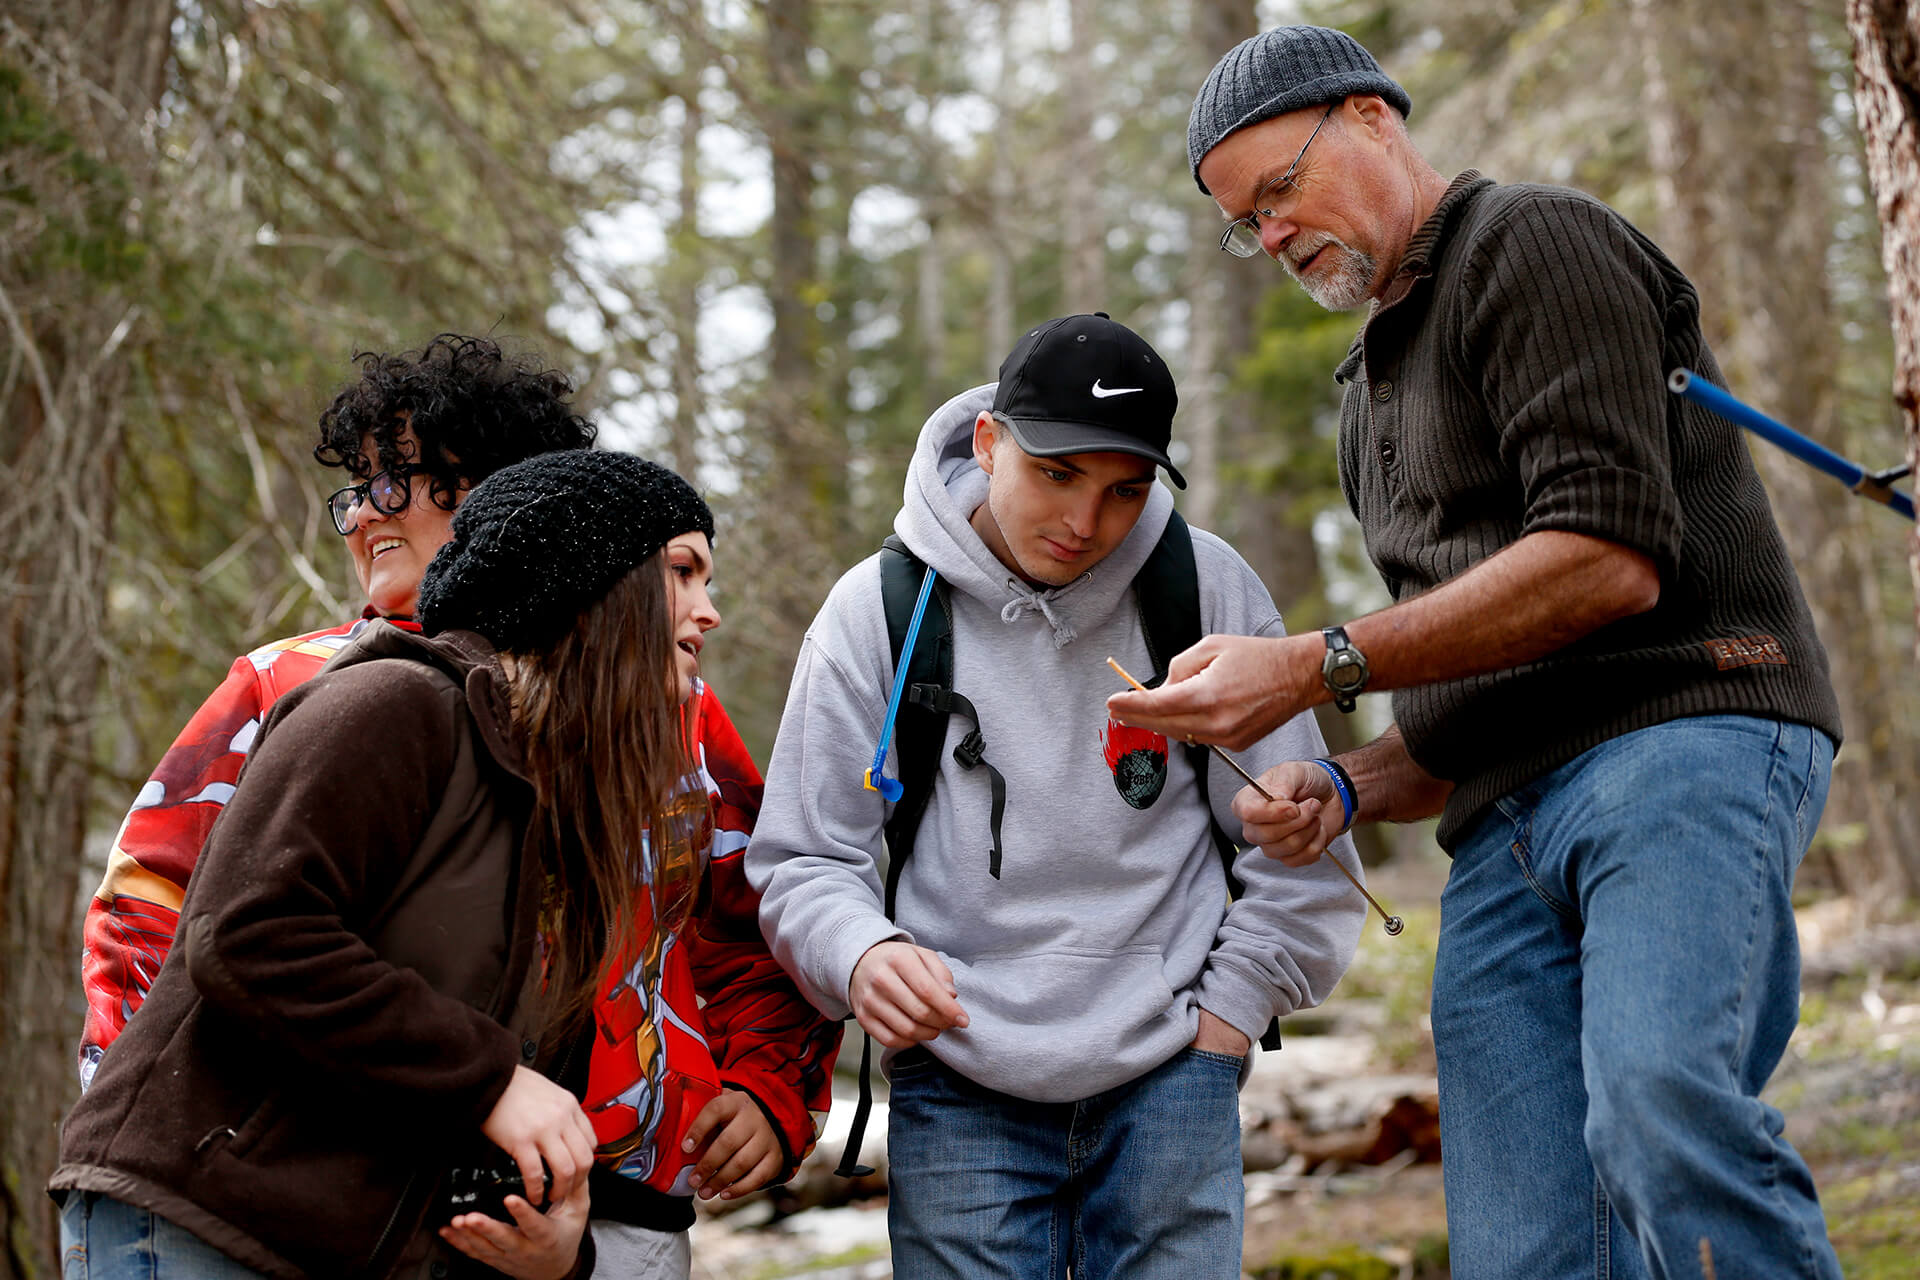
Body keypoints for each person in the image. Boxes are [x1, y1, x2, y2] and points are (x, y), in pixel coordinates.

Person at [1114, 25, 1847, 1280]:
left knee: (1663, 1111)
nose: (1274, 236)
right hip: (1506, 822)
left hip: (1684, 735)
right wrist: (1350, 785)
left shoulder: (1532, 242)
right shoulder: (1367, 396)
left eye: (1279, 189)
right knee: (1525, 1248)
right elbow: (1483, 680)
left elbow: (1605, 557)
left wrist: (1303, 666)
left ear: (1370, 116)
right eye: (1247, 223)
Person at [747, 313, 1366, 1280]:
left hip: (1174, 1072)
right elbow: (803, 858)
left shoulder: (1203, 590)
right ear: (990, 442)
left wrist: (1228, 1018)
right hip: (957, 1074)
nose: (1086, 523)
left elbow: (1300, 840)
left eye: (1126, 491)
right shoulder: (878, 610)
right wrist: (861, 953)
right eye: (1058, 475)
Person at [52, 448, 723, 1278]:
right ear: (587, 583)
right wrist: (488, 1080)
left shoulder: (569, 805)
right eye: (683, 572)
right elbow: (250, 935)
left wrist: (558, 1253)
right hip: (199, 1221)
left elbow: (506, 1089)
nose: (708, 612)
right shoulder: (397, 702)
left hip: (351, 1250)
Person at [77, 333, 595, 1089]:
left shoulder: (638, 697)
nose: (357, 518)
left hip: (585, 1176)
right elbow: (146, 901)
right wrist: (133, 1103)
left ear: (500, 489)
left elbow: (752, 900)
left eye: (393, 483)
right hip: (280, 1159)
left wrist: (765, 1090)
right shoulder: (283, 679)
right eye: (357, 489)